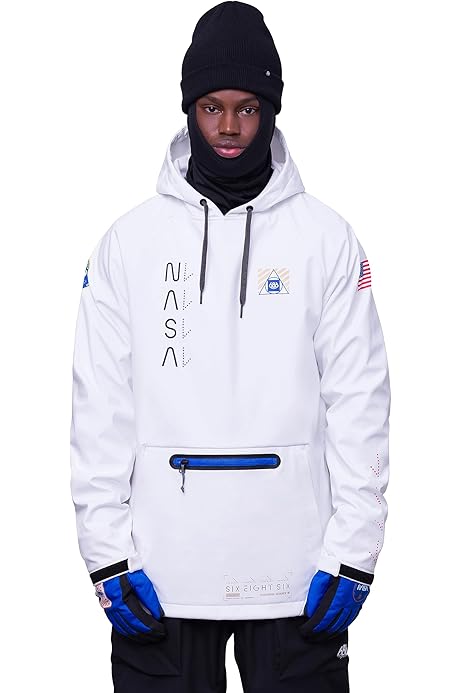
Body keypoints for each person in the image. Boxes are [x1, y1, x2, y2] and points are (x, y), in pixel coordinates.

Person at [69, 2, 390, 691]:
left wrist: (355, 551)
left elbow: (360, 400)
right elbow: (99, 407)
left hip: (297, 572)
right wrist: (106, 555)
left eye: (247, 108)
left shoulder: (327, 240)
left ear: (271, 110)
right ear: (189, 108)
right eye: (211, 107)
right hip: (162, 571)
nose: (228, 127)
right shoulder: (128, 243)